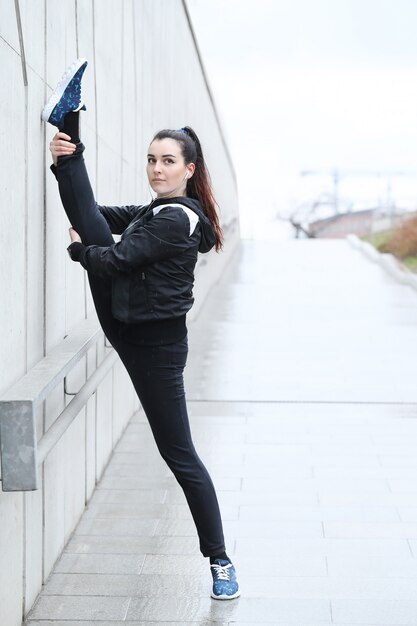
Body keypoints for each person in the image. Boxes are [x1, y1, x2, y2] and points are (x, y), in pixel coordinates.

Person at [41, 58, 240, 600]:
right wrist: (72, 180)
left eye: (168, 161)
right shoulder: (159, 210)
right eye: (152, 160)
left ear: (189, 170)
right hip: (126, 320)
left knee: (179, 453)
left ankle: (220, 560)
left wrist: (80, 248)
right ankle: (66, 134)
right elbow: (105, 214)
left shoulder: (177, 220)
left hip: (152, 346)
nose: (156, 168)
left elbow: (111, 260)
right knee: (93, 219)